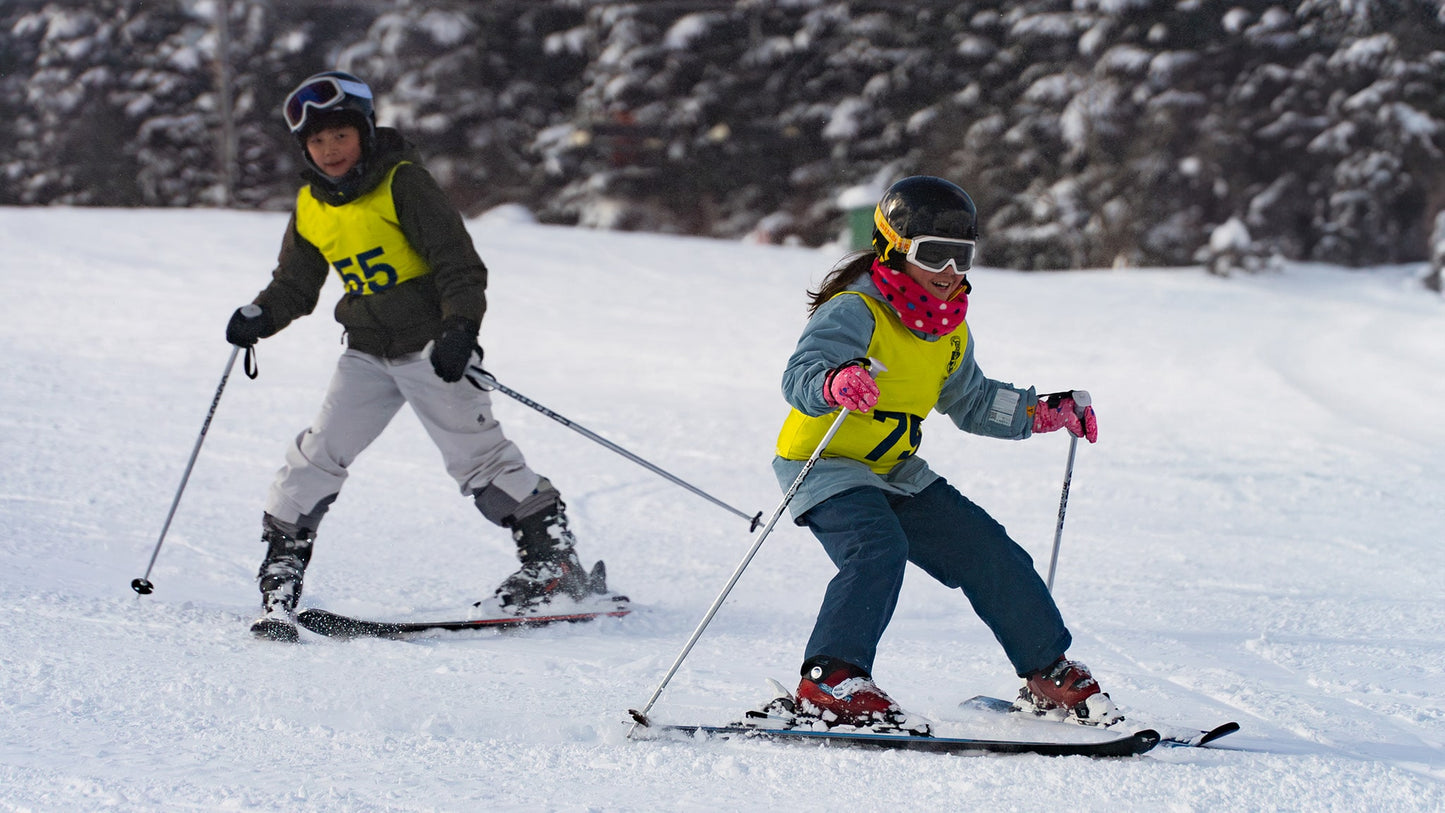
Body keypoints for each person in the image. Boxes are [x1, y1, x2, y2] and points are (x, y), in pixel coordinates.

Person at [227, 70, 619, 641]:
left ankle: (554, 566)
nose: (330, 150)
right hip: (366, 352)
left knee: (479, 460)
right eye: (316, 141)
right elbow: (296, 283)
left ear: (363, 130)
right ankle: (281, 575)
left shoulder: (403, 183)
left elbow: (458, 264)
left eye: (340, 135)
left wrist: (460, 329)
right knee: (316, 456)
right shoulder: (311, 205)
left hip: (433, 349)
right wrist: (262, 315)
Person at [772, 176, 1113, 733]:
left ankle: (1046, 670)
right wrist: (834, 381)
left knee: (990, 552)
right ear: (894, 248)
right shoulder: (855, 309)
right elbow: (800, 375)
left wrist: (1040, 413)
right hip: (825, 463)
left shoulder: (949, 327)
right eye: (935, 254)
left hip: (896, 471)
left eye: (963, 256)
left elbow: (973, 401)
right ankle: (831, 678)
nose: (951, 271)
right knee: (877, 548)